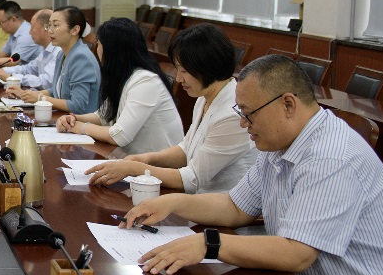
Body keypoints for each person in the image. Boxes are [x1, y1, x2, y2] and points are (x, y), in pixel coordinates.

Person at [124, 54, 383, 275]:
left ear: (288, 104)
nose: (243, 123)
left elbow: (297, 253)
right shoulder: (279, 143)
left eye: (248, 114)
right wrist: (173, 202)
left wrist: (209, 244)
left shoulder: (330, 157)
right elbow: (235, 207)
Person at [85, 23, 256, 191]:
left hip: (218, 202)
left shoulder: (232, 114)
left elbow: (192, 178)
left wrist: (135, 169)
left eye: (184, 71)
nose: (179, 79)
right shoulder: (205, 96)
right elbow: (186, 149)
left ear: (207, 66)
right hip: (198, 196)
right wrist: (146, 159)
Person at [56, 17, 182, 154]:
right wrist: (73, 119)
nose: (97, 49)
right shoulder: (122, 76)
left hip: (156, 164)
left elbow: (119, 136)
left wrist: (80, 127)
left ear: (111, 49)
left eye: (99, 44)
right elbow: (103, 116)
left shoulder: (146, 81)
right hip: (131, 159)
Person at [8, 6, 101, 115]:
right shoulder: (61, 54)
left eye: (56, 25)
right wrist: (27, 94)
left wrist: (39, 98)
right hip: (66, 117)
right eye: (49, 25)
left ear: (75, 30)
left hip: (82, 121)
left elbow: (77, 105)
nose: (50, 31)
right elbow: (56, 91)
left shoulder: (81, 57)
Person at [0, 9, 56, 88]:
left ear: (45, 29)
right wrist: (3, 71)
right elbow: (28, 69)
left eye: (32, 27)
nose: (30, 32)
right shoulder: (44, 49)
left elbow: (46, 82)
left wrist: (11, 78)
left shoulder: (57, 52)